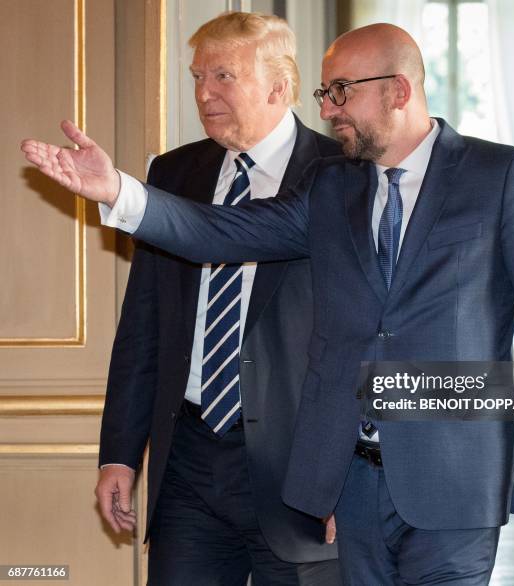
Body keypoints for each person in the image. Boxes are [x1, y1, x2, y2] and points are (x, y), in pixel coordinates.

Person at [22, 23, 514, 585]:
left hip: (456, 483)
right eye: (324, 94)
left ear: (398, 91)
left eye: (339, 93)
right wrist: (120, 193)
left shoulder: (500, 175)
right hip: (348, 487)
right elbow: (222, 232)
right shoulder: (331, 186)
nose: (326, 110)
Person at [96, 12, 342, 586]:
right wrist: (120, 453)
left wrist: (349, 476)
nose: (204, 93)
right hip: (189, 461)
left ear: (279, 86)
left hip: (298, 471)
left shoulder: (342, 175)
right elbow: (144, 324)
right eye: (197, 77)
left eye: (224, 76)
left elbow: (366, 338)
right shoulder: (174, 173)